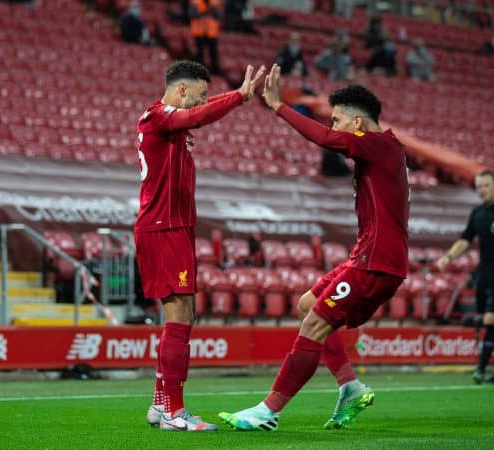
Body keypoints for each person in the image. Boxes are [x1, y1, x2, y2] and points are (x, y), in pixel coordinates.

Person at [219, 64, 409, 431]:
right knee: (308, 305)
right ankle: (350, 386)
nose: (335, 126)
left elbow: (325, 139)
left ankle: (268, 411)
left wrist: (279, 107)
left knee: (314, 325)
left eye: (338, 119)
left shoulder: (379, 144)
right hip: (367, 257)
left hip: (375, 263)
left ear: (357, 120)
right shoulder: (384, 150)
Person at [135, 60, 265, 431]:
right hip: (163, 228)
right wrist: (239, 96)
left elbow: (195, 117)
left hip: (175, 227)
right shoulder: (158, 116)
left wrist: (237, 96)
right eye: (201, 94)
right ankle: (173, 412)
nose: (203, 102)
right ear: (181, 91)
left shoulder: (169, 120)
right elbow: (195, 118)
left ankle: (161, 404)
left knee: (184, 317)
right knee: (177, 318)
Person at [436, 169, 494, 384]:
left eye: (485, 185)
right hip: (484, 272)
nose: (482, 190)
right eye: (478, 187)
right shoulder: (477, 213)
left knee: (491, 319)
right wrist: (448, 257)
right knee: (490, 323)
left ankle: (481, 368)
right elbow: (465, 240)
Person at [189, 0, 221, 74]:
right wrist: (205, 11)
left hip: (212, 33)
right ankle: (199, 72)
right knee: (199, 53)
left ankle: (215, 72)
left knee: (213, 53)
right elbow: (191, 15)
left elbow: (219, 16)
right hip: (199, 32)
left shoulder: (215, 3)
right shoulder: (195, 2)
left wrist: (212, 10)